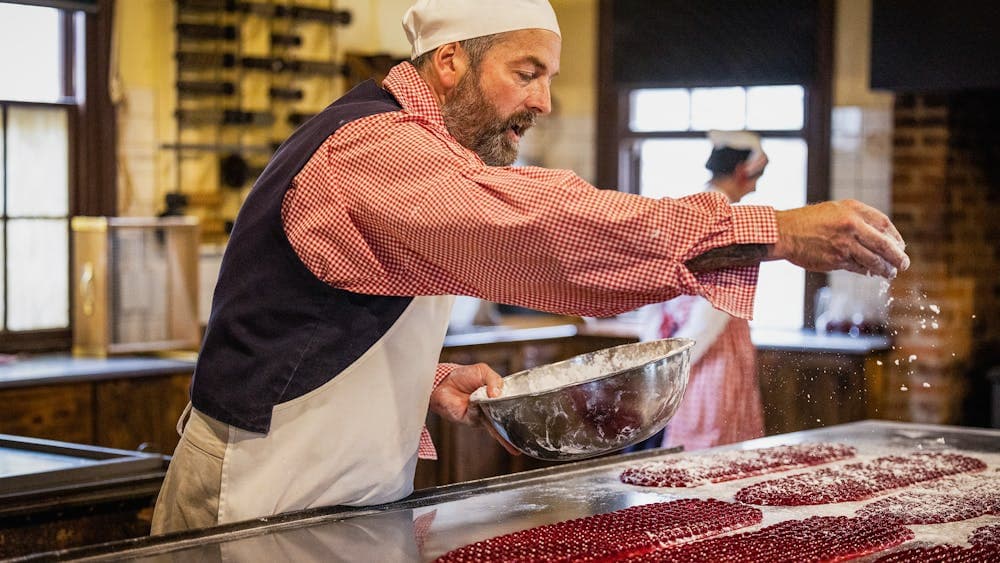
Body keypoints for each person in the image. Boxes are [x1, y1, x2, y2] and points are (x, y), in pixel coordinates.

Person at [151, 0, 910, 534]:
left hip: (330, 503)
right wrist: (765, 231)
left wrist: (424, 376)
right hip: (260, 504)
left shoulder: (419, 155)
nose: (545, 100)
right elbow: (544, 231)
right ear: (450, 61)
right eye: (526, 71)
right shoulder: (372, 149)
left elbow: (328, 312)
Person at [641, 130, 770, 451]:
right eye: (757, 177)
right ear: (743, 172)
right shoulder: (730, 222)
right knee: (708, 453)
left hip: (673, 346)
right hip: (709, 355)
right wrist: (676, 362)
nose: (756, 186)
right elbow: (714, 309)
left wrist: (655, 353)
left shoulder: (682, 211)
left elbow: (652, 291)